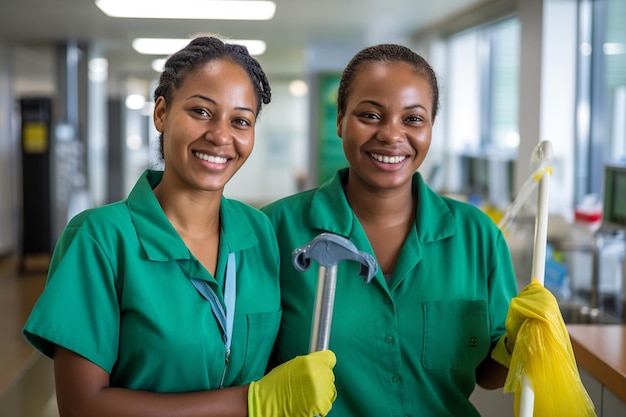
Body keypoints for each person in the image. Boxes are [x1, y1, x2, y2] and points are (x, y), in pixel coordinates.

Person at [22, 35, 336, 417]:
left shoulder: (258, 233)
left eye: (240, 120)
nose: (221, 136)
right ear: (161, 114)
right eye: (201, 112)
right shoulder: (100, 239)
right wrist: (251, 402)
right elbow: (82, 405)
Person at [261, 43, 560, 416]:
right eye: (370, 115)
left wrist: (523, 341)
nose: (391, 134)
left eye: (413, 119)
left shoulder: (477, 237)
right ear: (340, 120)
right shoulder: (274, 232)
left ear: (431, 127)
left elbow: (488, 373)